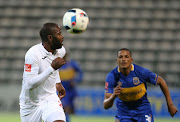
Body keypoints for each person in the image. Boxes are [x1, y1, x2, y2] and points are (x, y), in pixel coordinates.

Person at [103, 48, 178, 122]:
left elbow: (161, 81)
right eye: (120, 57)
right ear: (117, 60)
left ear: (131, 60)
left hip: (142, 110)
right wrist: (113, 96)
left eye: (126, 57)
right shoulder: (112, 76)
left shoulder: (141, 72)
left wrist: (170, 104)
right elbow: (106, 105)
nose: (123, 59)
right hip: (124, 112)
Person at [19, 23, 67, 122]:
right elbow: (30, 84)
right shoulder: (33, 54)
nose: (62, 37)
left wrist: (57, 82)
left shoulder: (61, 51)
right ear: (50, 38)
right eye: (59, 34)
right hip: (30, 103)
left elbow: (54, 67)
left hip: (50, 98)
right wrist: (51, 68)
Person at [59, 52, 83, 122]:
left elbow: (80, 73)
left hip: (71, 90)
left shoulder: (72, 64)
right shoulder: (58, 65)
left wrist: (76, 80)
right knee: (65, 107)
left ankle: (66, 118)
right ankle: (66, 119)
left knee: (71, 109)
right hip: (62, 90)